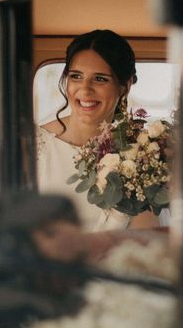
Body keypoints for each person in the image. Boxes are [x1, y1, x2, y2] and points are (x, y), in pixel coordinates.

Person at [36, 29, 158, 231]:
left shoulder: (142, 157)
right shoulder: (34, 146)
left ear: (124, 86)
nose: (85, 89)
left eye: (100, 79)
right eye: (76, 76)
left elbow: (145, 240)